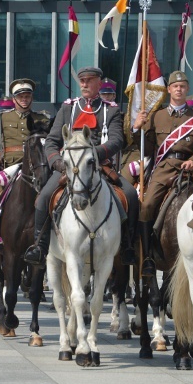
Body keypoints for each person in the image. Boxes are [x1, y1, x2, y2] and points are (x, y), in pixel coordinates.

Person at [24, 67, 139, 266]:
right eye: (82, 81)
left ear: (99, 83)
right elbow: (51, 141)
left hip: (100, 166)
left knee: (130, 195)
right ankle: (40, 246)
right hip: (68, 167)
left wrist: (93, 155)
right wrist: (58, 163)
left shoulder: (110, 110)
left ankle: (128, 246)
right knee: (43, 198)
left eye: (89, 80)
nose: (84, 84)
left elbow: (116, 140)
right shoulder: (68, 108)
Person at [132, 71, 193, 277]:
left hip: (190, 170)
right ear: (168, 90)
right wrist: (138, 129)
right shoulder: (157, 116)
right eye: (175, 86)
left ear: (187, 89)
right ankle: (147, 256)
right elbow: (147, 149)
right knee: (146, 205)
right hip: (164, 168)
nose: (179, 89)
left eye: (182, 86)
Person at [0, 78, 50, 259]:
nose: (24, 99)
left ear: (32, 98)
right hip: (12, 167)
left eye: (27, 95)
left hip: (38, 168)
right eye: (20, 96)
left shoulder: (42, 119)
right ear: (14, 99)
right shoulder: (2, 119)